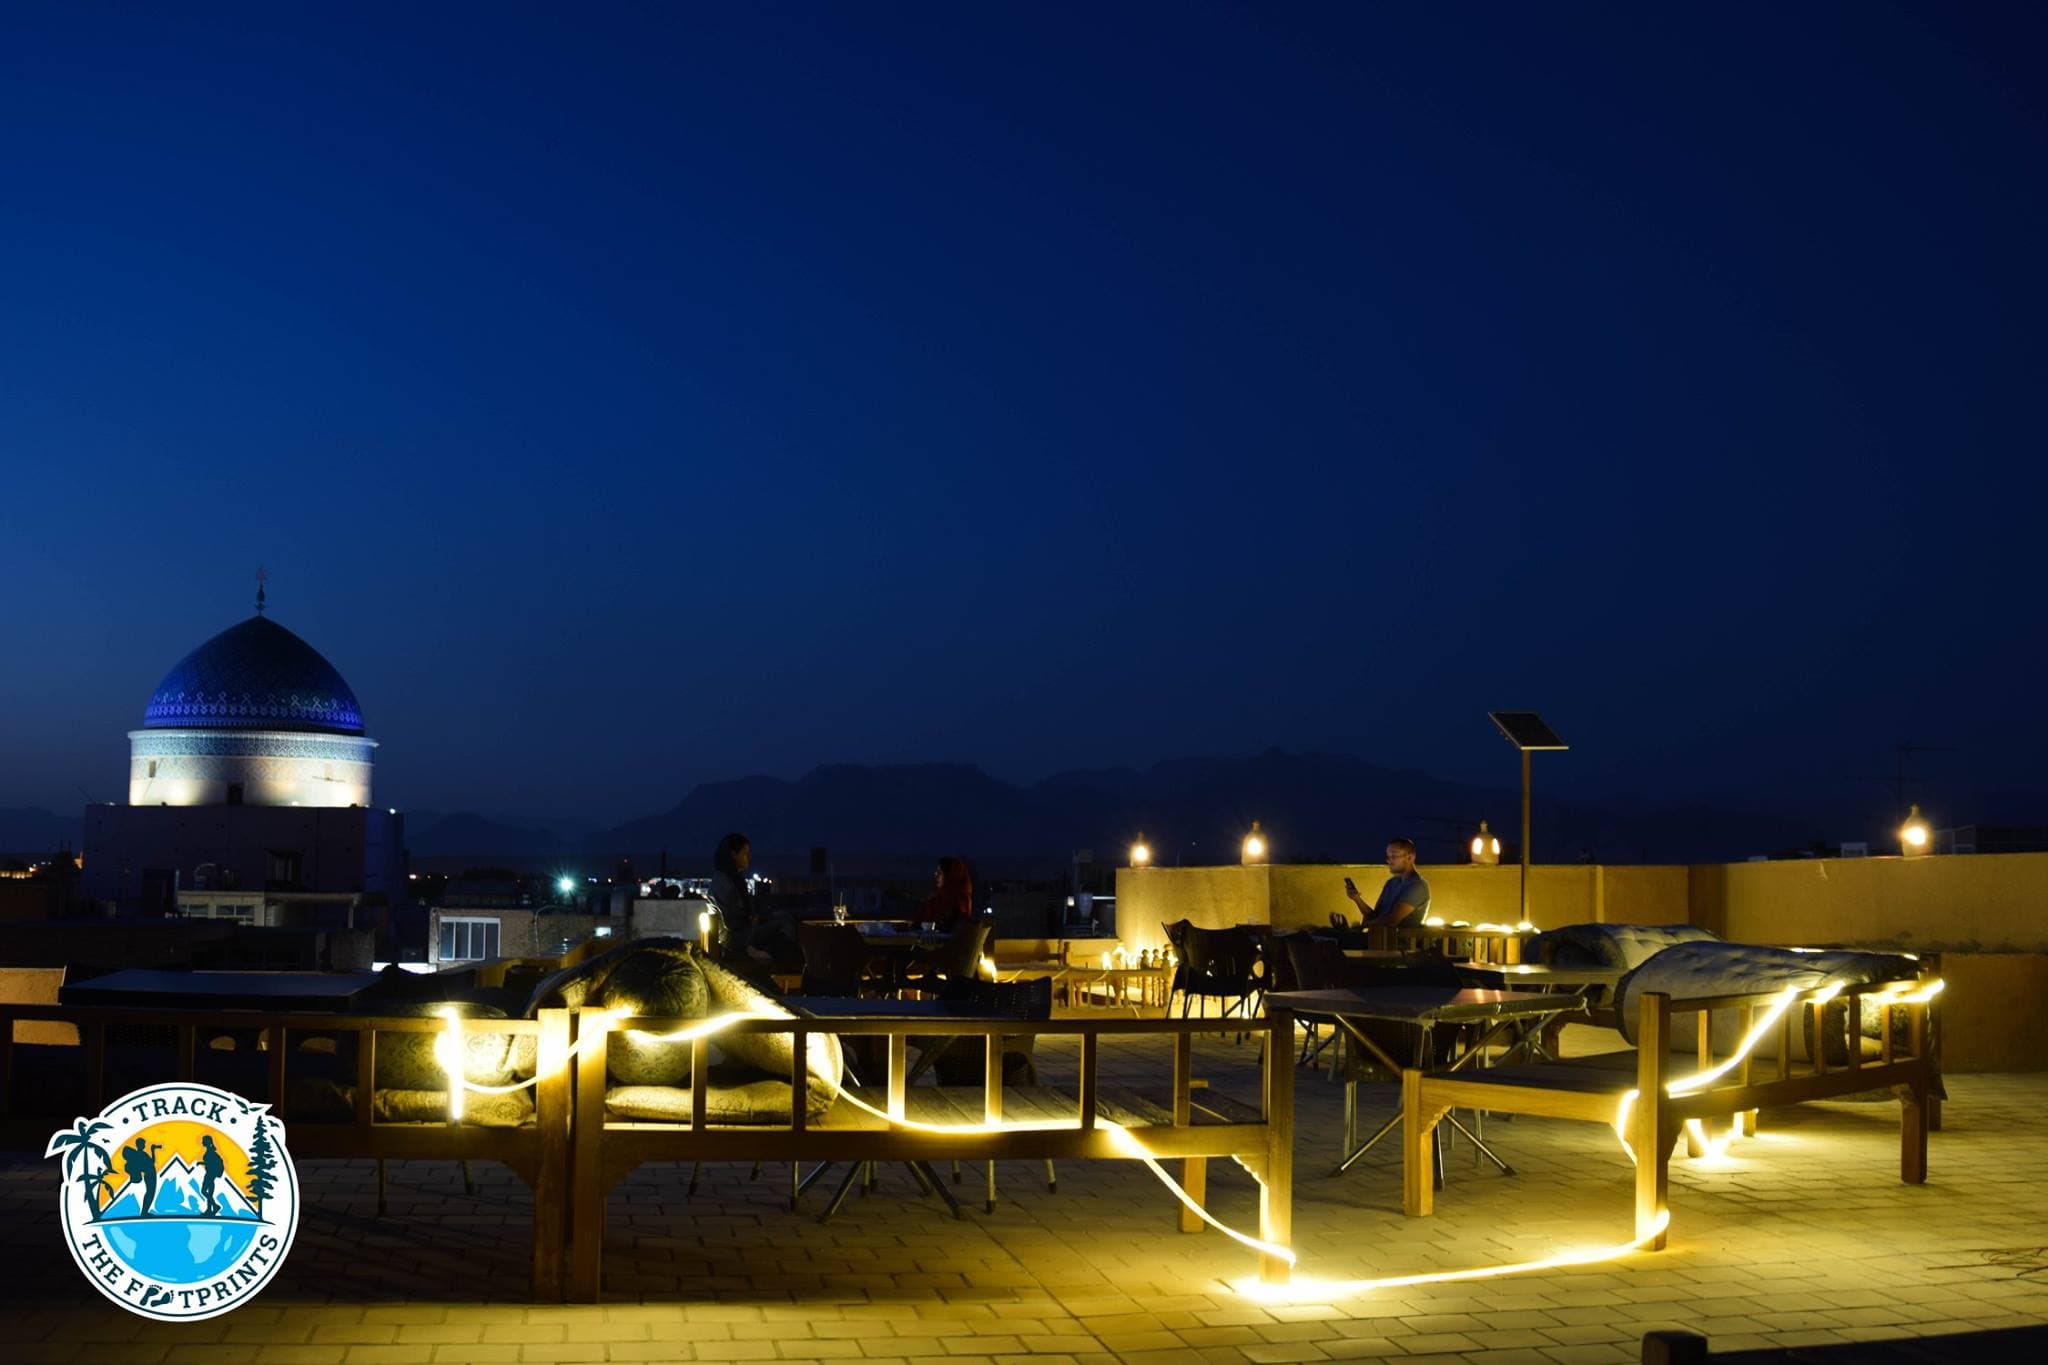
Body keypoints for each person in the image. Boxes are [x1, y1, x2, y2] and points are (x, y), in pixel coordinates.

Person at [1343, 837, 1431, 931]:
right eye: (1388, 857)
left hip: (1396, 942)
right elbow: (1375, 916)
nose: (1389, 861)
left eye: (1393, 856)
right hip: (1378, 938)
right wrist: (1357, 899)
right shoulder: (1391, 883)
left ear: (1410, 857)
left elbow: (1392, 921)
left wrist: (1361, 926)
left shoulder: (1418, 886)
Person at [706, 832, 757, 957]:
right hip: (731, 940)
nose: (748, 857)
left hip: (735, 935)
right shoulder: (725, 882)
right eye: (745, 853)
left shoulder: (732, 878)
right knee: (783, 922)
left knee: (782, 919)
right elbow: (732, 922)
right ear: (733, 854)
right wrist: (751, 920)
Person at [920, 856, 975, 932]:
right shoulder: (941, 898)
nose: (936, 874)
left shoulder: (956, 901)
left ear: (950, 876)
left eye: (940, 872)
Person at [199, 1134, 226, 1216]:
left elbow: (211, 1163)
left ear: (207, 1142)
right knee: (209, 1193)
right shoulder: (210, 1151)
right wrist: (202, 1163)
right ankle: (210, 1209)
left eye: (203, 1141)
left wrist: (204, 1163)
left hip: (210, 1174)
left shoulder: (210, 1152)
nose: (202, 1142)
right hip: (210, 1174)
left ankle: (214, 1206)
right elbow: (209, 1162)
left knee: (204, 1191)